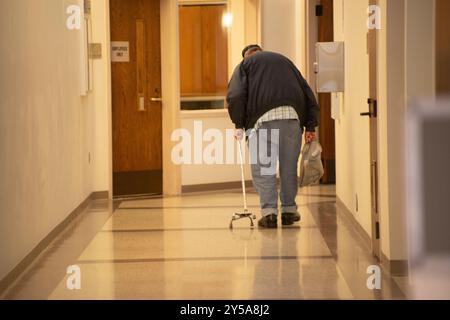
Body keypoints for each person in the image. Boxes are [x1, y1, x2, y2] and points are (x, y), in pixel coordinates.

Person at [227, 44, 320, 229]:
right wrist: (310, 125)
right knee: (288, 167)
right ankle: (288, 211)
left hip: (261, 121)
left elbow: (236, 95)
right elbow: (308, 93)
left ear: (247, 56)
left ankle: (269, 214)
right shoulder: (285, 61)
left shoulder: (245, 65)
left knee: (264, 169)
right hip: (291, 118)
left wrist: (238, 124)